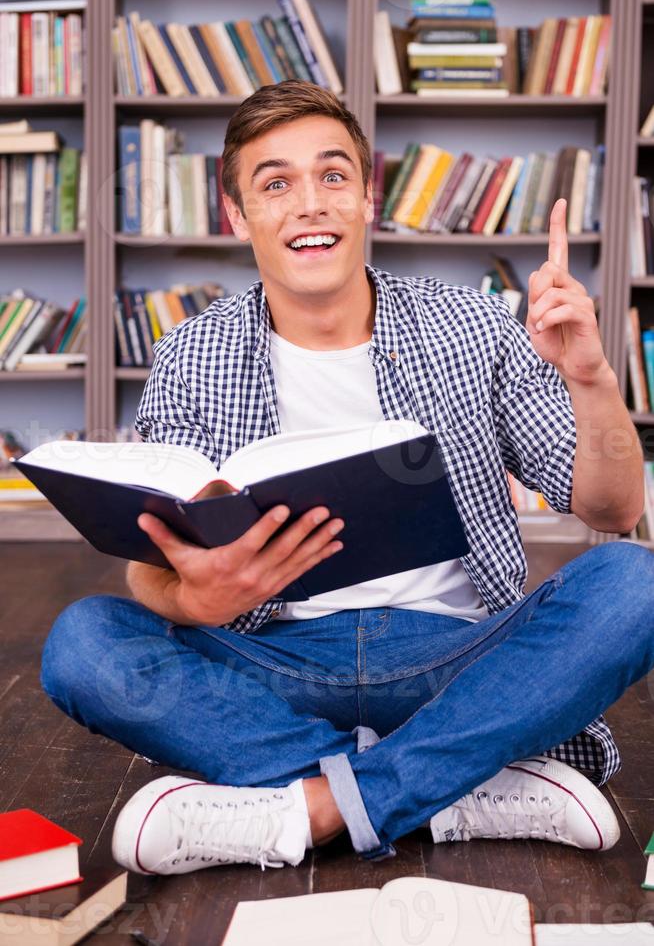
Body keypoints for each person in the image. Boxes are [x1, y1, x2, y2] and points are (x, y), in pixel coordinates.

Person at [40, 81, 653, 877]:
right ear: (239, 216)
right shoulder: (191, 352)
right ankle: (453, 787)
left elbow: (615, 507)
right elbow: (151, 567)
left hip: (460, 659)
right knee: (84, 642)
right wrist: (195, 599)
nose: (309, 204)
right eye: (275, 183)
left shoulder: (469, 324)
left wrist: (595, 379)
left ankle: (307, 806)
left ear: (366, 199)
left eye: (332, 177)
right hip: (275, 666)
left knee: (635, 583)